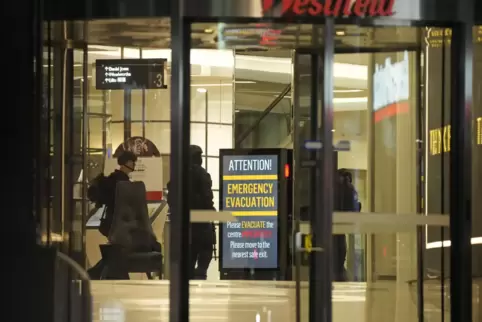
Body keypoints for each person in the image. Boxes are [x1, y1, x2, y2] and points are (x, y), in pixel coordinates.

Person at [88, 151, 161, 279]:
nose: (134, 165)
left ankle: (95, 274)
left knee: (115, 253)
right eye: (133, 162)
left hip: (115, 221)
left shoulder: (115, 179)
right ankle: (97, 274)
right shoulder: (119, 181)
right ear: (127, 163)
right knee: (118, 253)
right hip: (117, 223)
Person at [167, 145, 216, 280]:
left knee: (188, 258)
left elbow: (171, 200)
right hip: (201, 221)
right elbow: (208, 198)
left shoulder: (177, 175)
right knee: (204, 254)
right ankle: (200, 276)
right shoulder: (202, 174)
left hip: (184, 224)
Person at [332, 168, 360, 281]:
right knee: (340, 251)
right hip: (341, 226)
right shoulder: (350, 189)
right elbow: (355, 208)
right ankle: (339, 275)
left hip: (332, 226)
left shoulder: (330, 189)